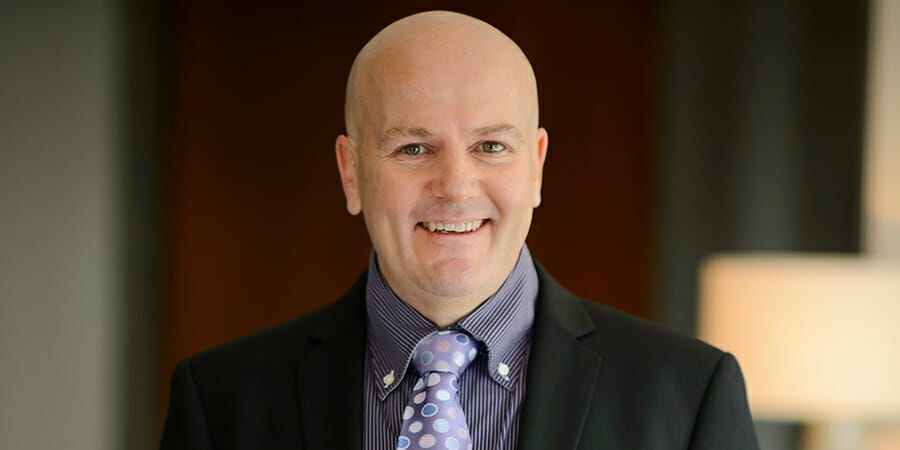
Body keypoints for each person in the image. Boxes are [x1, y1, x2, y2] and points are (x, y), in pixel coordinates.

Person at [160, 10, 759, 450]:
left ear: (537, 167)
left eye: (491, 146)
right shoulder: (222, 402)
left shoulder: (688, 395)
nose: (455, 185)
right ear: (351, 173)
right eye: (414, 148)